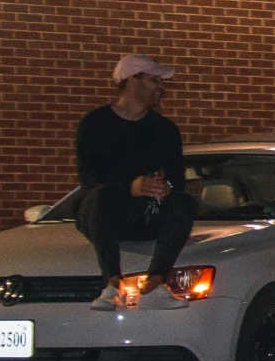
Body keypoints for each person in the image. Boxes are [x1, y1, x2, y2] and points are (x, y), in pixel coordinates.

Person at [74, 54, 196, 310]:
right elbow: (89, 178)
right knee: (100, 197)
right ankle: (111, 284)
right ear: (133, 82)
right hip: (106, 215)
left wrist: (165, 188)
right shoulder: (95, 124)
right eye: (154, 81)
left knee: (184, 202)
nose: (161, 88)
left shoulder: (164, 130)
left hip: (145, 215)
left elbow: (177, 181)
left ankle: (155, 282)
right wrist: (130, 187)